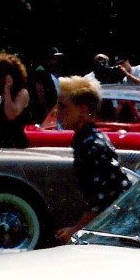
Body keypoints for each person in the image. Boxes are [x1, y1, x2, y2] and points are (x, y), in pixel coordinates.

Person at [53, 76, 133, 244]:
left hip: (117, 229)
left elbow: (102, 201)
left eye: (63, 106)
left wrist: (74, 231)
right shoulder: (90, 138)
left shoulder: (90, 145)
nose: (56, 111)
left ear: (83, 110)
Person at [0, 52, 31, 148]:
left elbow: (11, 114)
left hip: (13, 144)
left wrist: (7, 89)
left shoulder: (22, 93)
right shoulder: (0, 94)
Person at [30, 47, 63, 122]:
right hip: (44, 114)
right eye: (55, 58)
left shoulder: (52, 73)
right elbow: (41, 95)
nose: (57, 61)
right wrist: (47, 113)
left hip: (52, 112)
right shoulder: (41, 70)